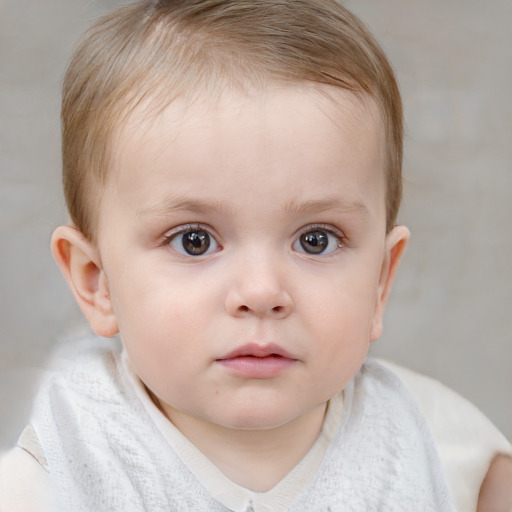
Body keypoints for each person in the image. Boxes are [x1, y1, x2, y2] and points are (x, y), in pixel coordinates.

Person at [0, 0, 510, 510]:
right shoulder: (55, 477)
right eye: (194, 240)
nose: (262, 291)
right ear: (97, 282)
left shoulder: (440, 446)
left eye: (316, 240)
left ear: (380, 279)